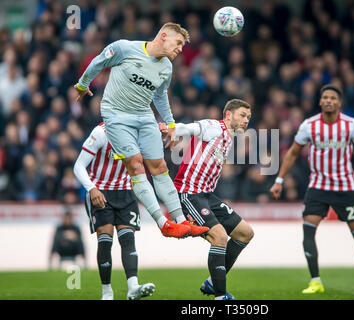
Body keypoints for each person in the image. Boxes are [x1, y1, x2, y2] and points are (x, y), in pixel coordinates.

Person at [73, 22, 208, 239]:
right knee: (136, 164)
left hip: (144, 115)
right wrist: (82, 84)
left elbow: (160, 95)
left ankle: (182, 221)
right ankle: (163, 223)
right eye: (178, 43)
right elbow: (98, 62)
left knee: (159, 165)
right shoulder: (124, 48)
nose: (180, 49)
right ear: (164, 36)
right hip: (116, 115)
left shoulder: (166, 67)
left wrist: (171, 123)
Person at [270, 84, 354, 294]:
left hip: (345, 186)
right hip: (318, 185)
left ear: (339, 103)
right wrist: (279, 180)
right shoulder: (309, 125)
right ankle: (315, 280)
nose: (328, 101)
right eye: (325, 97)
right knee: (308, 229)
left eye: (333, 98)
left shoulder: (351, 125)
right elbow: (291, 153)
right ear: (320, 102)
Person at [161, 99, 254, 300]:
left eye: (248, 117)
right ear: (228, 115)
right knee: (219, 236)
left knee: (245, 233)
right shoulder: (214, 127)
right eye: (242, 115)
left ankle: (213, 283)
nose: (246, 120)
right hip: (189, 193)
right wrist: (173, 129)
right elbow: (190, 127)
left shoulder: (229, 138)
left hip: (207, 195)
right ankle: (221, 296)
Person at [73, 122, 154, 300]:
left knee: (128, 238)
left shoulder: (137, 131)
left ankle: (133, 287)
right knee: (105, 238)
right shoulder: (100, 133)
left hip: (125, 190)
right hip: (100, 191)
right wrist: (92, 189)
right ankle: (107, 292)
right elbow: (78, 166)